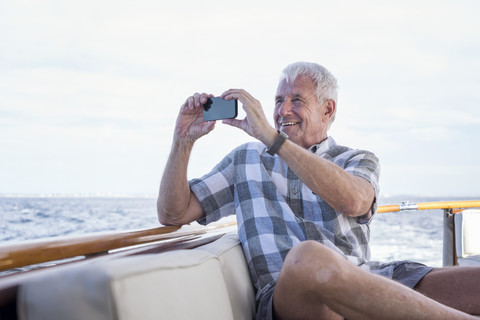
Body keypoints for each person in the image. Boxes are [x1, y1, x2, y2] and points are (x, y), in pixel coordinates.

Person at [157, 62, 480, 319]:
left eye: (296, 100)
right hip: (292, 294)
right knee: (307, 259)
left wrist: (274, 140)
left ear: (327, 110)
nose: (283, 111)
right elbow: (173, 211)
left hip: (367, 279)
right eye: (278, 101)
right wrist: (182, 140)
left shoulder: (356, 159)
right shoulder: (244, 161)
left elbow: (355, 200)